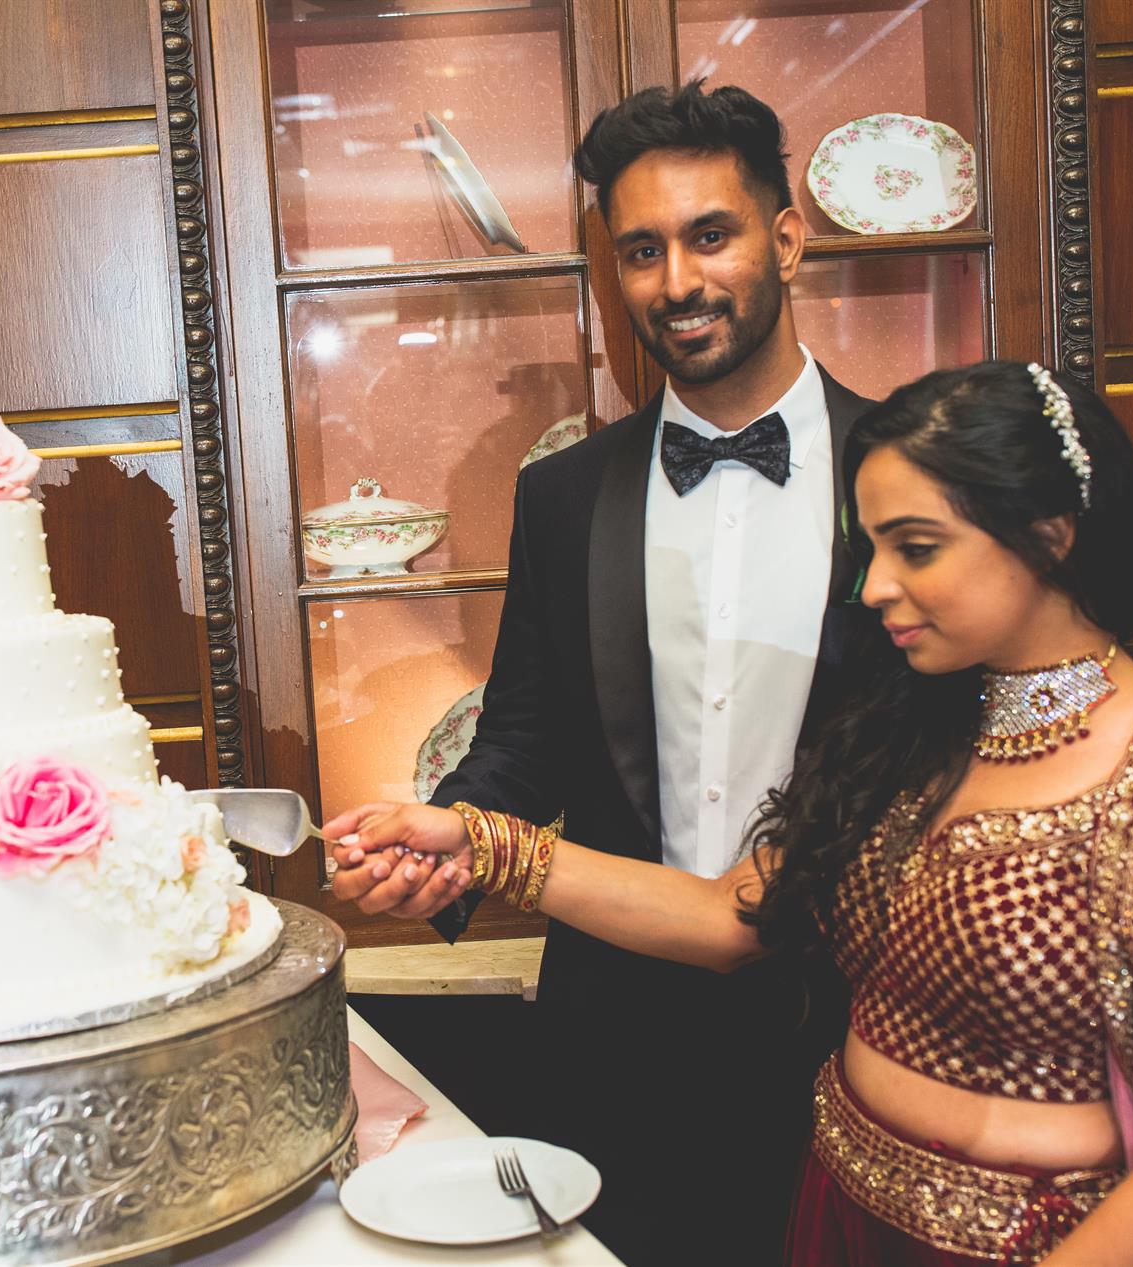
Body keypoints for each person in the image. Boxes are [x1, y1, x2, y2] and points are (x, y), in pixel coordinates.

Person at [332, 360, 1133, 1265]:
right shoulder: (905, 738)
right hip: (834, 1221)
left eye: (916, 547)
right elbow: (727, 916)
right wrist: (476, 840)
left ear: (1049, 535)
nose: (873, 586)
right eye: (870, 548)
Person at [333, 81, 872, 1263]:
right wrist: (446, 846)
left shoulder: (902, 476)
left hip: (858, 1031)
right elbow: (525, 735)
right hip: (615, 1041)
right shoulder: (562, 496)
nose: (676, 280)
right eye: (640, 250)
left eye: (710, 235)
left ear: (787, 239)